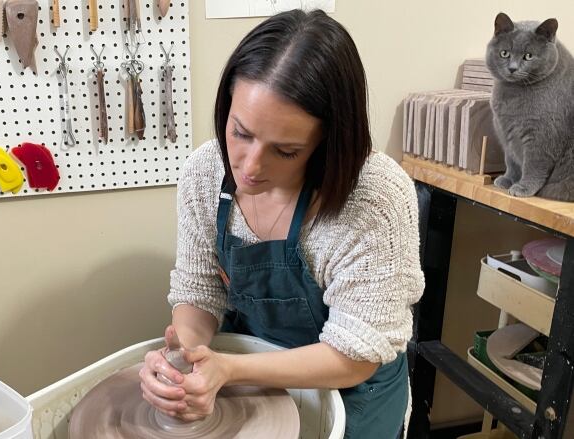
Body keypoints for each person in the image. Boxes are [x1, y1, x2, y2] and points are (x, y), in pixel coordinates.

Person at [139, 9, 424, 439]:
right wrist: (187, 356)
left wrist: (229, 369)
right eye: (240, 132)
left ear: (329, 142)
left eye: (286, 151)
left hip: (352, 390)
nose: (249, 168)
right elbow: (199, 289)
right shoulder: (205, 172)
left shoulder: (375, 198)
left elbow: (357, 353)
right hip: (247, 375)